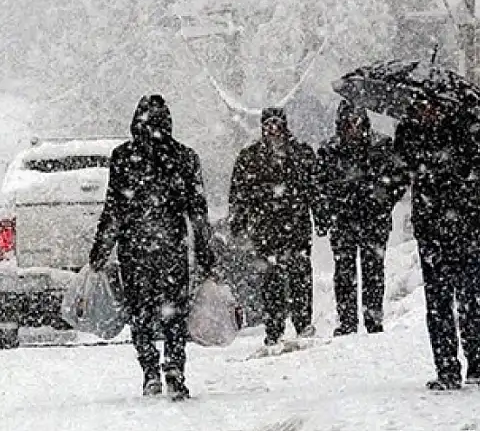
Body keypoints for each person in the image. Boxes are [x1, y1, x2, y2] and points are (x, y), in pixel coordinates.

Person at [89, 94, 216, 401]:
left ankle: (149, 371)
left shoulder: (123, 157)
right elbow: (197, 211)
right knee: (174, 311)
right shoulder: (184, 156)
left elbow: (114, 209)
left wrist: (100, 251)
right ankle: (174, 367)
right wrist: (205, 254)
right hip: (171, 248)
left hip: (135, 249)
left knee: (141, 312)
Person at [394, 97, 480, 390]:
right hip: (432, 231)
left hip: (467, 227)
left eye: (430, 106)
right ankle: (446, 367)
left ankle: (476, 361)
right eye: (420, 106)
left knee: (470, 296)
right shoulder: (411, 133)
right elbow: (396, 175)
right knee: (437, 302)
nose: (426, 112)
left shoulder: (470, 130)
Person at [228, 106, 320, 347]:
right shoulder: (250, 157)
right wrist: (238, 221)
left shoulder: (301, 153)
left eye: (277, 124)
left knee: (300, 274)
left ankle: (303, 323)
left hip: (296, 225)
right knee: (271, 279)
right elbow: (239, 193)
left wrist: (321, 216)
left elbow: (316, 188)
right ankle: (274, 328)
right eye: (268, 124)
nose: (273, 129)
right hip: (265, 227)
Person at [317, 101, 408, 336]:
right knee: (345, 273)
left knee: (373, 272)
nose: (353, 128)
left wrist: (383, 200)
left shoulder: (382, 146)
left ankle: (373, 319)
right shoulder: (329, 151)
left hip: (374, 220)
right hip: (343, 221)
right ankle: (347, 321)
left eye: (356, 122)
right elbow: (319, 185)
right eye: (348, 123)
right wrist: (332, 206)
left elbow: (399, 179)